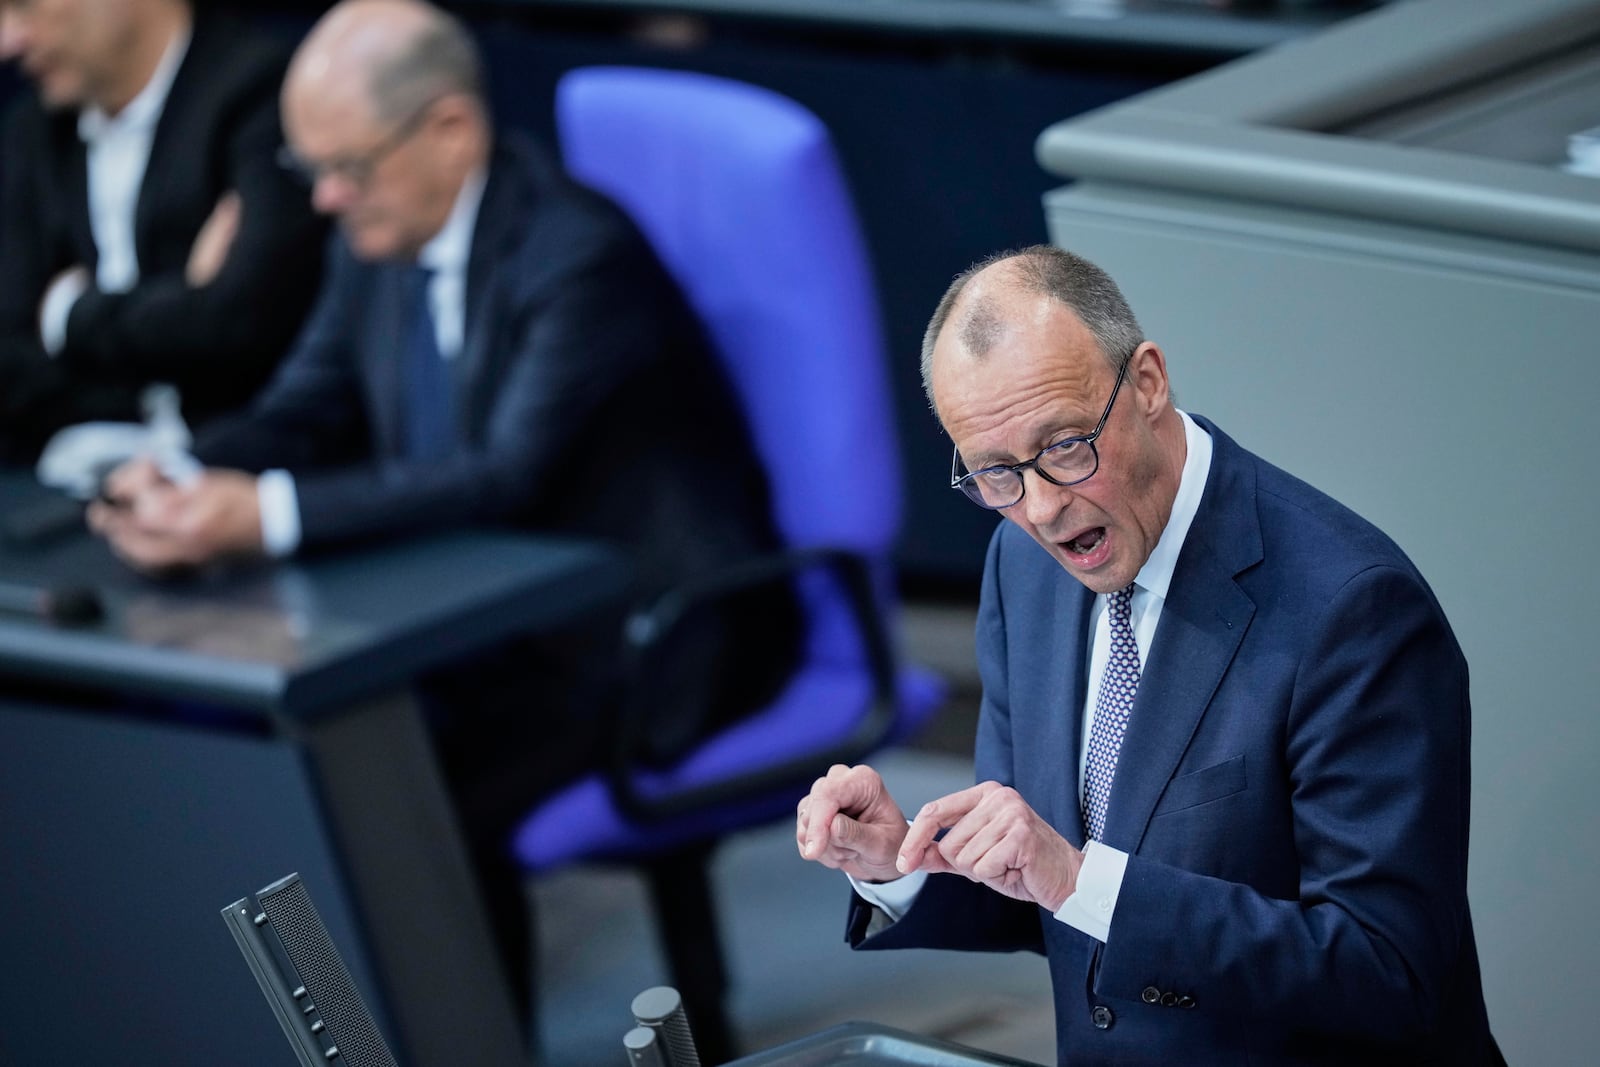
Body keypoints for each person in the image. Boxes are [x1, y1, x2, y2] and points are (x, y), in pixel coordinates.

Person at [88, 0, 799, 1029]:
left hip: (657, 634)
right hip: (496, 629)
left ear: (450, 130)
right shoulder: (372, 232)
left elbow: (499, 473)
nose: (325, 198)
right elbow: (303, 406)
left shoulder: (578, 253)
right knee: (329, 765)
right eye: (310, 171)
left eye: (349, 166)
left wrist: (267, 515)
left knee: (414, 812)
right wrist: (179, 471)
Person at [796, 245, 1502, 1065]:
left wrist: (1076, 876)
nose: (1044, 509)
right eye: (996, 474)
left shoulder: (1353, 609)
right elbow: (1038, 881)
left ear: (1148, 383)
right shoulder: (1018, 566)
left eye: (1065, 446)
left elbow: (1389, 970)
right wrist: (904, 860)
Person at [0, 0, 325, 464]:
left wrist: (64, 315)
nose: (8, 42)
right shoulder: (32, 132)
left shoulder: (263, 95)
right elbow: (8, 362)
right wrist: (176, 321)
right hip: (59, 470)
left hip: (237, 471)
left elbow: (240, 324)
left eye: (26, 6)